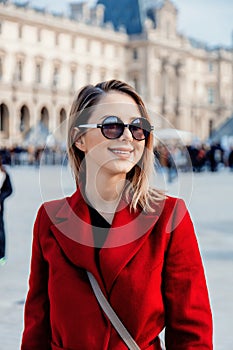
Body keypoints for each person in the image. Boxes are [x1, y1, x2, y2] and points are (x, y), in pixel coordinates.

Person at [21, 80, 213, 349]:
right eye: (112, 126)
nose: (127, 136)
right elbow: (36, 329)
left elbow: (192, 333)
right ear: (79, 138)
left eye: (137, 128)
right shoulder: (50, 219)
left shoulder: (168, 216)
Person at [0, 156, 13, 265]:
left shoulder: (4, 174)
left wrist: (1, 198)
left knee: (0, 232)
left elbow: (9, 190)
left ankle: (1, 256)